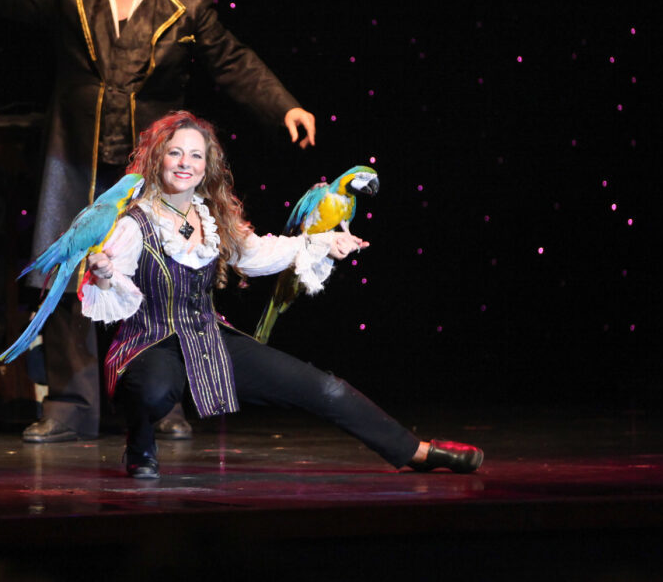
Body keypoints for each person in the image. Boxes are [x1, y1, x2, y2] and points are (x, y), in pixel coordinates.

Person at [0, 0, 316, 443]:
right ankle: (70, 408)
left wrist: (283, 106)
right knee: (69, 275)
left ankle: (160, 403)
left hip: (151, 168)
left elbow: (232, 60)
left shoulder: (185, 2)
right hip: (76, 158)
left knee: (161, 278)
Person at [84, 111, 485, 479]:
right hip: (150, 340)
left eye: (195, 155)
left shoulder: (213, 217)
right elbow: (109, 284)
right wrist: (103, 273)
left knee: (324, 387)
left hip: (207, 338)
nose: (185, 162)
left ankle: (415, 450)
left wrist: (322, 243)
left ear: (207, 166)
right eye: (175, 153)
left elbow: (258, 253)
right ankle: (140, 447)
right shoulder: (136, 221)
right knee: (152, 392)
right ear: (158, 159)